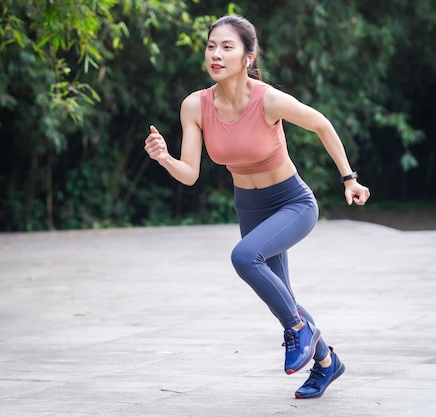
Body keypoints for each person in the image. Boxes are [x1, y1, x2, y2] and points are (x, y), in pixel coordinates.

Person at [144, 15, 370, 399]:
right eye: (211, 45)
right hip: (248, 207)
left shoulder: (268, 100)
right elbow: (190, 174)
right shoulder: (195, 106)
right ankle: (327, 363)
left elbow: (322, 125)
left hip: (291, 202)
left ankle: (299, 330)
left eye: (227, 47)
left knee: (245, 257)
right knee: (284, 296)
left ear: (248, 57)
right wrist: (165, 157)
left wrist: (349, 178)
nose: (216, 54)